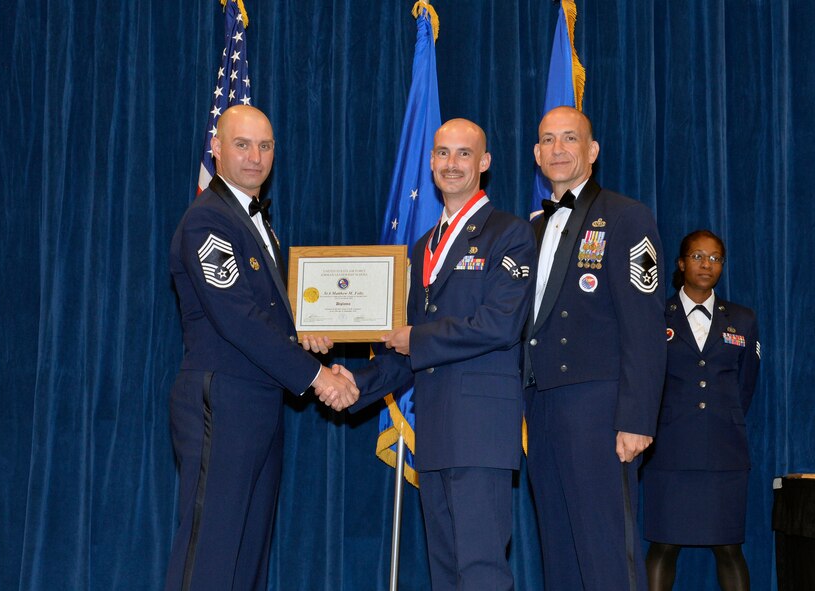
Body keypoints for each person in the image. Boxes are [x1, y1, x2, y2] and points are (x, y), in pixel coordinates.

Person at [335, 119, 536, 590]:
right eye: (443, 153)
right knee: (445, 574)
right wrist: (350, 383)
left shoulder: (510, 234)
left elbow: (499, 325)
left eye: (464, 154)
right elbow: (402, 351)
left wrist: (416, 340)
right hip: (436, 431)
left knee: (482, 572)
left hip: (481, 433)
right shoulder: (424, 245)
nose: (451, 164)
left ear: (483, 163)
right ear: (430, 162)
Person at [166, 105, 358, 591]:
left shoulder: (256, 225)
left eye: (265, 146)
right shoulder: (207, 220)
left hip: (256, 400)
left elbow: (264, 315)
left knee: (247, 555)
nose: (255, 157)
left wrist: (302, 334)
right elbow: (237, 319)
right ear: (216, 148)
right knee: (211, 552)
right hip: (222, 398)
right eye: (242, 144)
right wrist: (318, 377)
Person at [523, 106, 666, 590]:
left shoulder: (627, 217)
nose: (558, 149)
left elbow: (645, 327)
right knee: (559, 550)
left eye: (570, 138)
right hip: (540, 406)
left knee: (604, 552)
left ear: (592, 150)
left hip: (599, 410)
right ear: (537, 153)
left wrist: (637, 418)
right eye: (548, 140)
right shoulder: (533, 230)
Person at [643, 230, 760, 591]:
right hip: (669, 452)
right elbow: (643, 380)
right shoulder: (654, 314)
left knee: (729, 547)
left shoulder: (742, 319)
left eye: (715, 258)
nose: (706, 264)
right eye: (697, 256)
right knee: (663, 545)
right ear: (680, 263)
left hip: (724, 452)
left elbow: (746, 384)